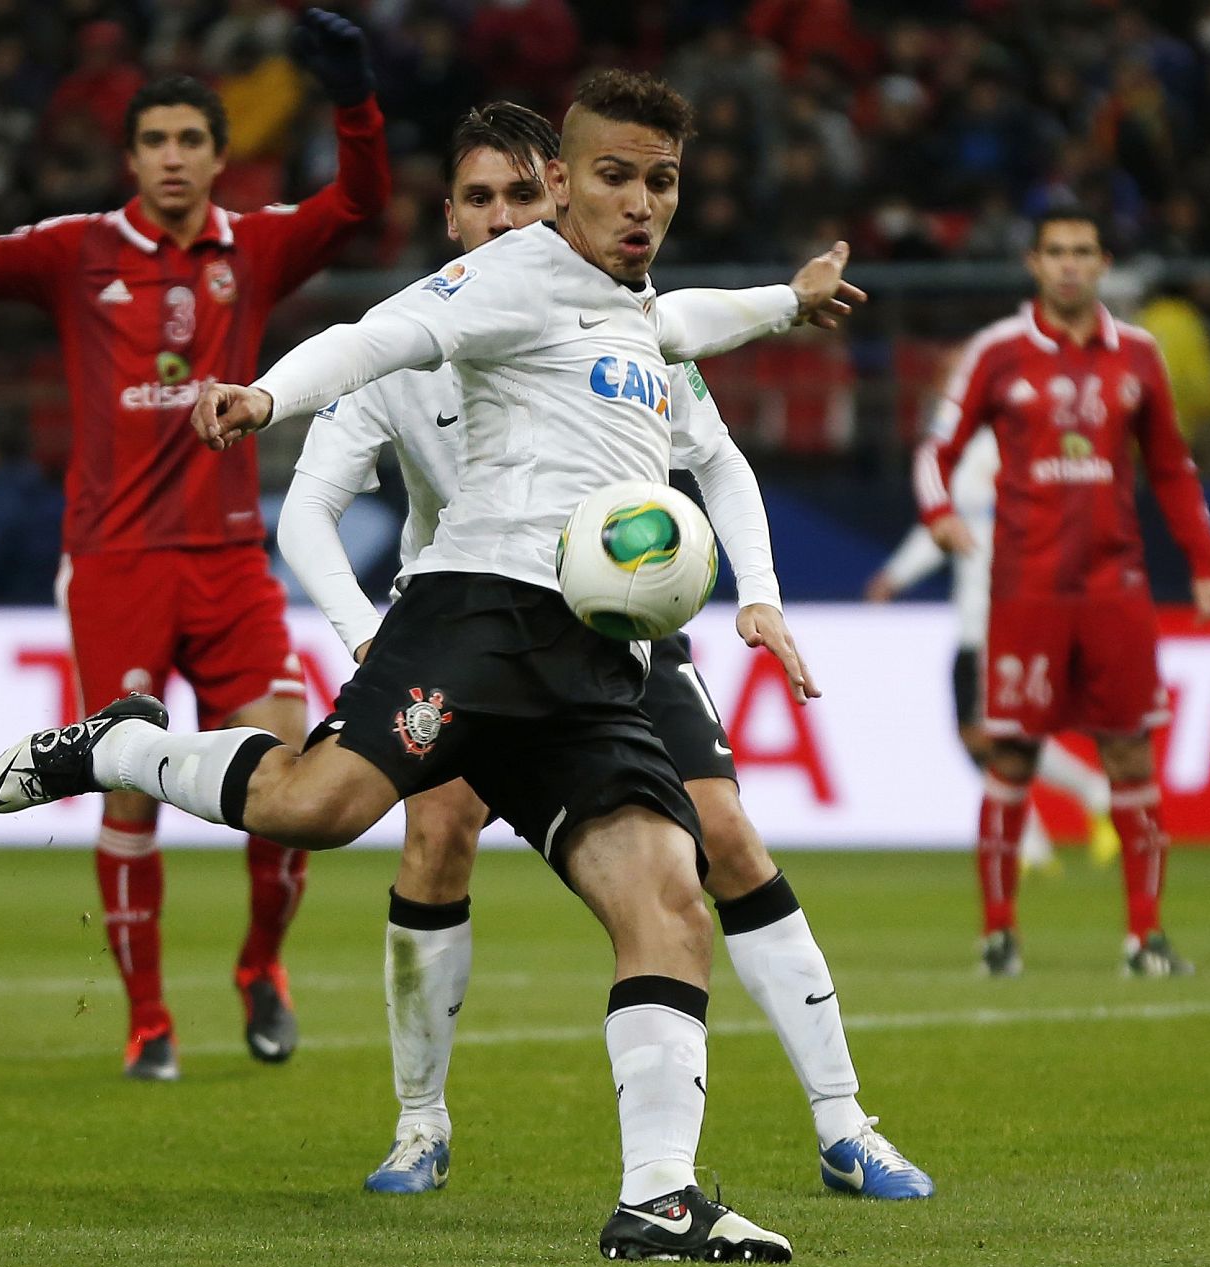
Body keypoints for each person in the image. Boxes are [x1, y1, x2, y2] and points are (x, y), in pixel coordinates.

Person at [0, 70, 866, 1262]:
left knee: (668, 899)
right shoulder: (508, 274)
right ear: (561, 181)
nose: (639, 201)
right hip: (479, 614)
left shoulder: (627, 301)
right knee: (316, 807)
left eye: (658, 179)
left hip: (591, 659)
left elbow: (681, 320)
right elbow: (377, 335)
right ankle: (120, 742)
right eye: (612, 176)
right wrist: (266, 392)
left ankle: (658, 1197)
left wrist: (784, 302)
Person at [277, 102, 932, 1201]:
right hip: (467, 625)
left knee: (722, 833)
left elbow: (715, 454)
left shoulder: (613, 319)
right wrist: (364, 632)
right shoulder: (411, 345)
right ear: (450, 217)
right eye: (478, 200)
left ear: (558, 202)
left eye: (521, 197)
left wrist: (758, 595)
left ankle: (844, 1123)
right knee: (434, 831)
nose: (501, 218)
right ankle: (418, 1124)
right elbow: (307, 511)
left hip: (615, 628)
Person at [0, 12, 391, 1081]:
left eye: (190, 141)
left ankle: (261, 966)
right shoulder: (78, 249)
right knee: (129, 786)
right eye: (155, 141)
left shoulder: (251, 247)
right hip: (116, 564)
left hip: (226, 563)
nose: (173, 158)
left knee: (294, 774)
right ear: (131, 157)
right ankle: (148, 1021)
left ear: (219, 156)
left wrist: (355, 103)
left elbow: (360, 204)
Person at [914, 208, 1210, 979]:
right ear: (1034, 263)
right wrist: (941, 513)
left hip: (1115, 589)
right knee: (1011, 753)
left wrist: (1206, 559)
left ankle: (1145, 939)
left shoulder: (1141, 358)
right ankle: (997, 937)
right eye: (1055, 252)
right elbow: (938, 448)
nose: (1068, 266)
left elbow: (1173, 470)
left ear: (1102, 262)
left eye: (1082, 253)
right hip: (1025, 591)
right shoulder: (999, 352)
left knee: (1129, 751)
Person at [866, 427, 1121, 873]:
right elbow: (949, 528)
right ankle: (1051, 825)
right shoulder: (1016, 451)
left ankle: (1057, 819)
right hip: (994, 620)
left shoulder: (986, 452)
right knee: (997, 733)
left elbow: (945, 527)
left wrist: (895, 575)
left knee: (983, 734)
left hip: (995, 621)